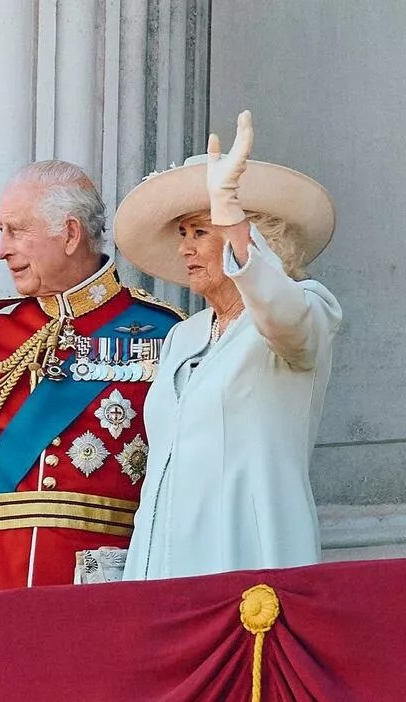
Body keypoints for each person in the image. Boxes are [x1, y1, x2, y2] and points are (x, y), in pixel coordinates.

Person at [0, 161, 185, 594]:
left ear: (70, 234)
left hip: (103, 583)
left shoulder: (165, 333)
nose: (1, 250)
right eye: (1, 231)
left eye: (16, 231)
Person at [115, 111, 342, 579]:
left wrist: (232, 222)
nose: (185, 248)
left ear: (255, 234)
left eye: (201, 231)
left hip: (247, 563)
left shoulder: (307, 310)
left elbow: (284, 316)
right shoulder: (183, 335)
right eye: (184, 233)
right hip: (161, 571)